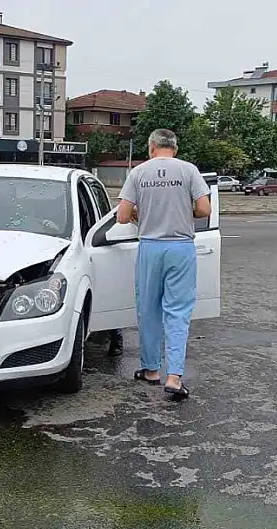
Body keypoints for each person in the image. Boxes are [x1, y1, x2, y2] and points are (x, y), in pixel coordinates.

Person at [116, 129, 211, 400]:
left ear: (151, 148)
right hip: (181, 248)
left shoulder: (138, 173)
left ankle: (151, 370)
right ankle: (174, 376)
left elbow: (122, 216)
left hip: (150, 247)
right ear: (175, 148)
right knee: (178, 311)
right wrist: (184, 210)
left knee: (148, 309)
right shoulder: (189, 170)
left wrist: (139, 215)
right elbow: (204, 210)